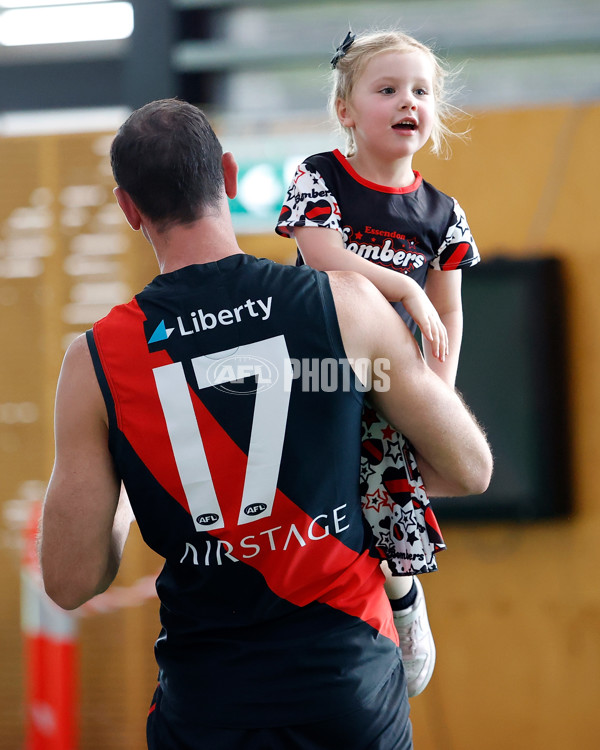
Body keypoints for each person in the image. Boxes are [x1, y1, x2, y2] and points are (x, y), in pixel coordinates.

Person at [39, 98, 492, 750]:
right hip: (349, 687)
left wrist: (134, 477)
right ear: (226, 175)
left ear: (128, 208)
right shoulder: (343, 302)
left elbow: (70, 578)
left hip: (210, 705)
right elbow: (469, 468)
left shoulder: (97, 360)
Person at [276, 29, 480, 697]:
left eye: (421, 91)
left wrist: (435, 401)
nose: (407, 102)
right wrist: (404, 286)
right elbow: (326, 259)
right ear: (346, 110)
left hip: (389, 386)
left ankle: (402, 599)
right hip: (313, 370)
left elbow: (447, 316)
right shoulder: (319, 175)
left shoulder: (443, 214)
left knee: (382, 490)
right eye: (387, 89)